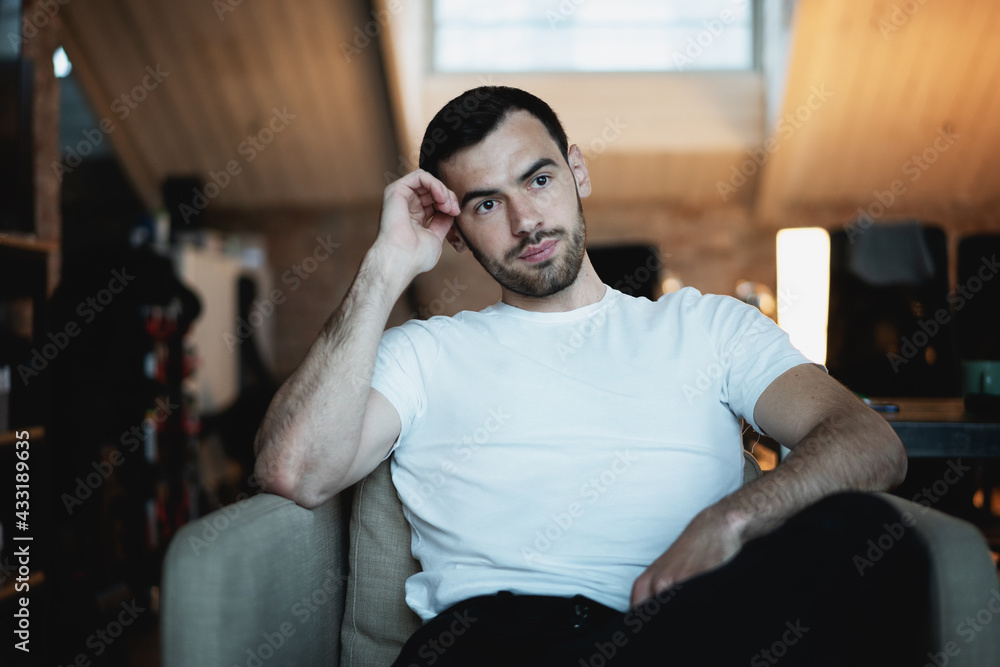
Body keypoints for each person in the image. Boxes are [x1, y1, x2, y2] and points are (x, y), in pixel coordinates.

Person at [254, 87, 931, 665]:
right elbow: (294, 469)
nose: (526, 221)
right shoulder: (423, 354)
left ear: (577, 171)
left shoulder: (708, 328)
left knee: (871, 534)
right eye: (486, 204)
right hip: (491, 643)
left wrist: (731, 521)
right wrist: (386, 264)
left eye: (538, 179)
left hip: (673, 632)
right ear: (453, 231)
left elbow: (869, 441)